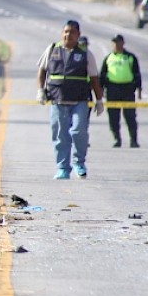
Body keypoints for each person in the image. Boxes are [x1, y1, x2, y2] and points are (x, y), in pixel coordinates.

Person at [37, 19, 106, 179]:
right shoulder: (52, 50)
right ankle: (62, 168)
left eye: (72, 32)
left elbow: (95, 78)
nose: (69, 35)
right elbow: (42, 71)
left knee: (78, 131)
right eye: (66, 32)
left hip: (80, 101)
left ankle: (79, 163)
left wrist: (99, 100)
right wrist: (40, 91)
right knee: (60, 135)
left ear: (78, 35)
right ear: (62, 33)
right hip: (58, 100)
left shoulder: (85, 54)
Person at [100, 34, 142, 148]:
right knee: (113, 117)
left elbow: (137, 74)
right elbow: (102, 75)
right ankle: (117, 139)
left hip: (127, 90)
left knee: (130, 116)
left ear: (123, 43)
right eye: (114, 42)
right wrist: (100, 90)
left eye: (118, 42)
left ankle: (133, 140)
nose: (116, 44)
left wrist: (139, 89)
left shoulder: (130, 57)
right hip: (112, 89)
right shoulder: (109, 58)